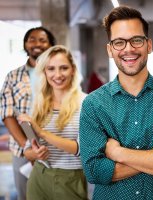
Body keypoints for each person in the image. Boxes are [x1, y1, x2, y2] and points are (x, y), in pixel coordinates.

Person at [79, 6, 153, 200]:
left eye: (136, 40)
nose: (129, 48)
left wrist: (117, 153)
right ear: (109, 49)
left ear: (149, 45)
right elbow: (94, 171)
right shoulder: (93, 103)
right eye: (119, 42)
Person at [17, 45, 88, 200]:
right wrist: (34, 153)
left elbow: (82, 149)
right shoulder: (39, 103)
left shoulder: (86, 103)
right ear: (44, 72)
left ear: (73, 70)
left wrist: (42, 133)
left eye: (63, 68)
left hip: (71, 179)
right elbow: (28, 150)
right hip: (39, 177)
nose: (57, 74)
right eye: (51, 69)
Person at [0, 26, 55, 200]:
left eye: (42, 40)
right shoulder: (13, 76)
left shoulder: (58, 73)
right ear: (25, 44)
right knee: (26, 196)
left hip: (55, 147)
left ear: (50, 45)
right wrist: (27, 147)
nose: (37, 44)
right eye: (32, 39)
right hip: (22, 148)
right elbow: (7, 114)